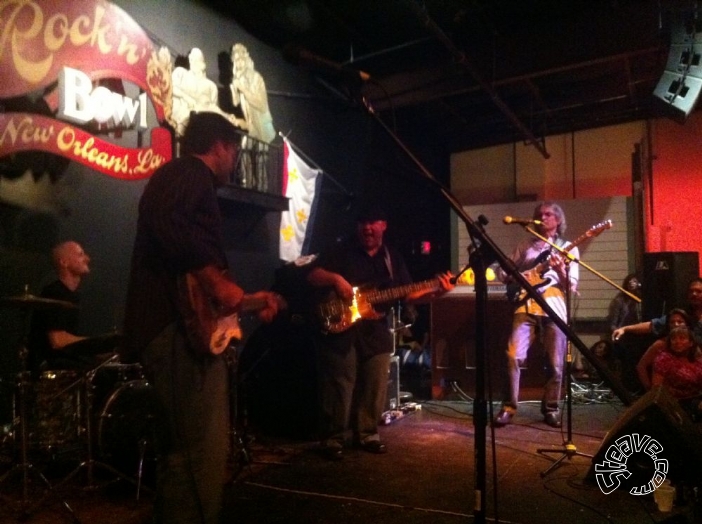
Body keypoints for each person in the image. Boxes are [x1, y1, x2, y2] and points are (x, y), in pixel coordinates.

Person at [122, 112, 281, 524]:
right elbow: (164, 219)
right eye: (235, 153)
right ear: (222, 146)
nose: (234, 162)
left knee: (185, 456)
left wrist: (248, 300)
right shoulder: (186, 173)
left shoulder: (184, 179)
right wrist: (215, 280)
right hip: (175, 335)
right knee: (198, 456)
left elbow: (193, 274)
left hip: (175, 332)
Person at [306, 206, 453, 460]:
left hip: (376, 330)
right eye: (363, 222)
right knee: (339, 385)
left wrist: (437, 292)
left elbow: (407, 293)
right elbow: (313, 275)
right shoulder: (341, 250)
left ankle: (367, 434)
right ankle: (332, 438)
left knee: (374, 385)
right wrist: (336, 280)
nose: (367, 227)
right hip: (342, 328)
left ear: (383, 225)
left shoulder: (391, 257)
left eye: (373, 222)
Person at [493, 201, 579, 428]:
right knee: (513, 355)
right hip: (526, 306)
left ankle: (551, 408)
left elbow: (571, 285)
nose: (544, 217)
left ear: (558, 220)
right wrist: (524, 275)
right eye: (540, 214)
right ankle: (508, 407)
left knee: (556, 364)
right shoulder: (525, 245)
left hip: (554, 308)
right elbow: (503, 272)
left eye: (549, 214)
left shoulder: (568, 247)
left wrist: (560, 269)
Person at [28, 241, 92, 375]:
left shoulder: (74, 295)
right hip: (50, 367)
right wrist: (96, 343)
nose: (87, 258)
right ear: (64, 262)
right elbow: (58, 341)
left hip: (66, 361)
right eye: (80, 254)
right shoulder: (54, 293)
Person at [170, 48, 246, 136]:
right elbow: (171, 88)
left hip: (204, 123)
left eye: (199, 59)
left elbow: (212, 107)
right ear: (190, 60)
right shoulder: (181, 73)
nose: (194, 61)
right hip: (184, 118)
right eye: (192, 58)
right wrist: (186, 98)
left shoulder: (211, 86)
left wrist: (226, 116)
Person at [230, 43, 275, 191]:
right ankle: (247, 183)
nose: (239, 63)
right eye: (236, 60)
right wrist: (234, 88)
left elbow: (261, 104)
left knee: (261, 158)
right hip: (252, 126)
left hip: (263, 126)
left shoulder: (256, 78)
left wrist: (243, 88)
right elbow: (236, 102)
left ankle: (262, 188)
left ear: (247, 60)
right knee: (244, 150)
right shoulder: (240, 80)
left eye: (241, 59)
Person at [612, 278, 702, 345]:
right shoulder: (682, 314)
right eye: (691, 291)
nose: (694, 294)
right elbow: (652, 325)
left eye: (698, 291)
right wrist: (625, 328)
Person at [651, 325, 702, 419]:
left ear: (691, 343)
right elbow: (656, 389)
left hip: (697, 398)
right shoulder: (664, 359)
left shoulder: (697, 359)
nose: (677, 342)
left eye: (682, 338)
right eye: (673, 339)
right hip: (677, 404)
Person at [636, 308, 691, 391]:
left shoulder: (692, 343)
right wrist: (650, 391)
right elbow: (641, 366)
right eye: (672, 322)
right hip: (666, 393)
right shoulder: (661, 344)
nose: (676, 324)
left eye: (680, 322)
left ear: (686, 324)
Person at [607, 273, 644, 391]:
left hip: (640, 335)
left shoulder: (642, 299)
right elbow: (613, 322)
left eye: (635, 281)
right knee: (627, 364)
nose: (632, 283)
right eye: (630, 281)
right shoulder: (619, 300)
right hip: (624, 337)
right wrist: (616, 334)